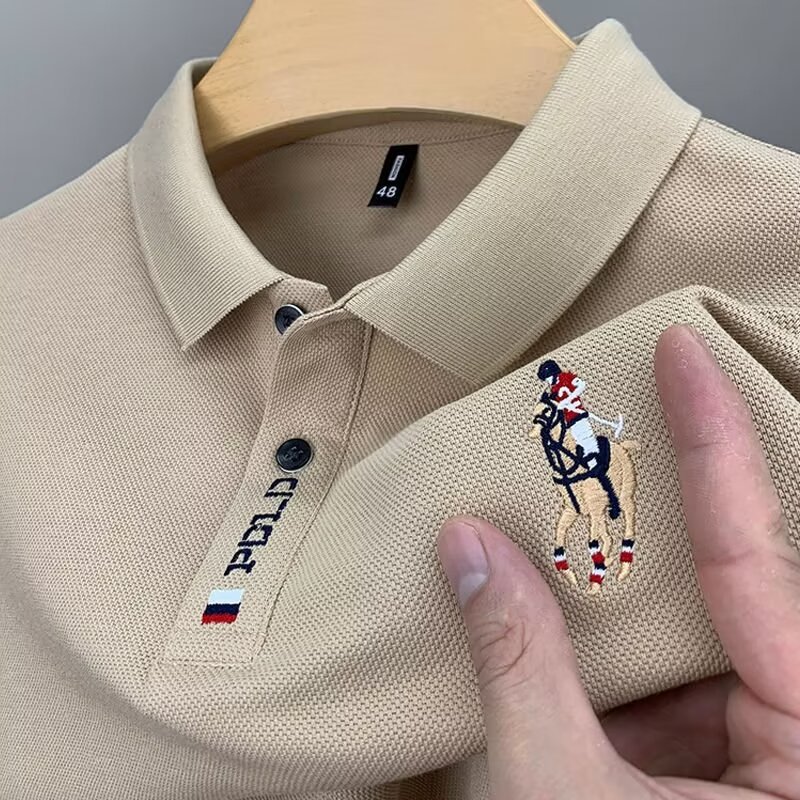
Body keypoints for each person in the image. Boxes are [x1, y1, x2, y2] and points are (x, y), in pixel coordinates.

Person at [436, 324, 800, 799]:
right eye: (549, 382)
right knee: (562, 464)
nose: (549, 383)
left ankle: (610, 499)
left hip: (583, 428)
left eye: (549, 379)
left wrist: (568, 406)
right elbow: (547, 413)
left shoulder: (568, 388)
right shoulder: (550, 397)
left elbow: (575, 400)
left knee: (591, 457)